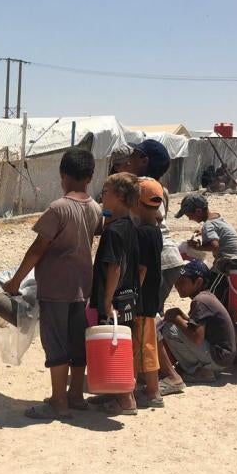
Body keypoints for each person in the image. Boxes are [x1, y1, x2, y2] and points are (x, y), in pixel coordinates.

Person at [3, 148, 101, 419]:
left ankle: (58, 401)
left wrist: (14, 282)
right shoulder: (95, 208)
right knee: (77, 343)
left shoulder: (58, 209)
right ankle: (76, 396)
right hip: (83, 288)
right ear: (90, 177)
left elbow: (37, 249)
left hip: (56, 290)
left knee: (56, 344)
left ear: (62, 174)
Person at [115, 139, 185, 396]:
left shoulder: (141, 186)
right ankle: (149, 374)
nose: (129, 159)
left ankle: (170, 376)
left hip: (155, 258)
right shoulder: (157, 187)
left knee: (146, 321)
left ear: (144, 161)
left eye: (134, 155)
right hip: (165, 257)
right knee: (147, 320)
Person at [89, 172, 140, 416]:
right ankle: (118, 394)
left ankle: (125, 400)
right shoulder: (130, 225)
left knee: (113, 344)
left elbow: (114, 267)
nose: (102, 196)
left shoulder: (114, 232)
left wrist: (107, 301)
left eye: (106, 192)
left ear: (119, 196)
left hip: (114, 298)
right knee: (122, 344)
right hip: (128, 296)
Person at [160, 260, 237, 382]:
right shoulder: (206, 296)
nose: (177, 285)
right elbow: (198, 326)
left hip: (218, 358)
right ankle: (197, 367)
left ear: (198, 282)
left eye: (182, 282)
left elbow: (197, 337)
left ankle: (199, 371)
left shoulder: (200, 301)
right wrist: (181, 316)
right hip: (223, 357)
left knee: (170, 329)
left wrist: (176, 319)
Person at [132, 178, 165, 409]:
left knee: (142, 346)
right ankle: (146, 389)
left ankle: (150, 392)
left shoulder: (141, 233)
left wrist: (132, 298)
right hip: (152, 295)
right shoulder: (155, 230)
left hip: (141, 298)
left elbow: (141, 269)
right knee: (146, 343)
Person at [175, 193, 237, 262]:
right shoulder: (216, 217)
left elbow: (214, 246)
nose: (190, 219)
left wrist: (197, 247)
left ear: (198, 211)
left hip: (229, 261)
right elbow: (219, 230)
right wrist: (203, 232)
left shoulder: (207, 225)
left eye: (189, 215)